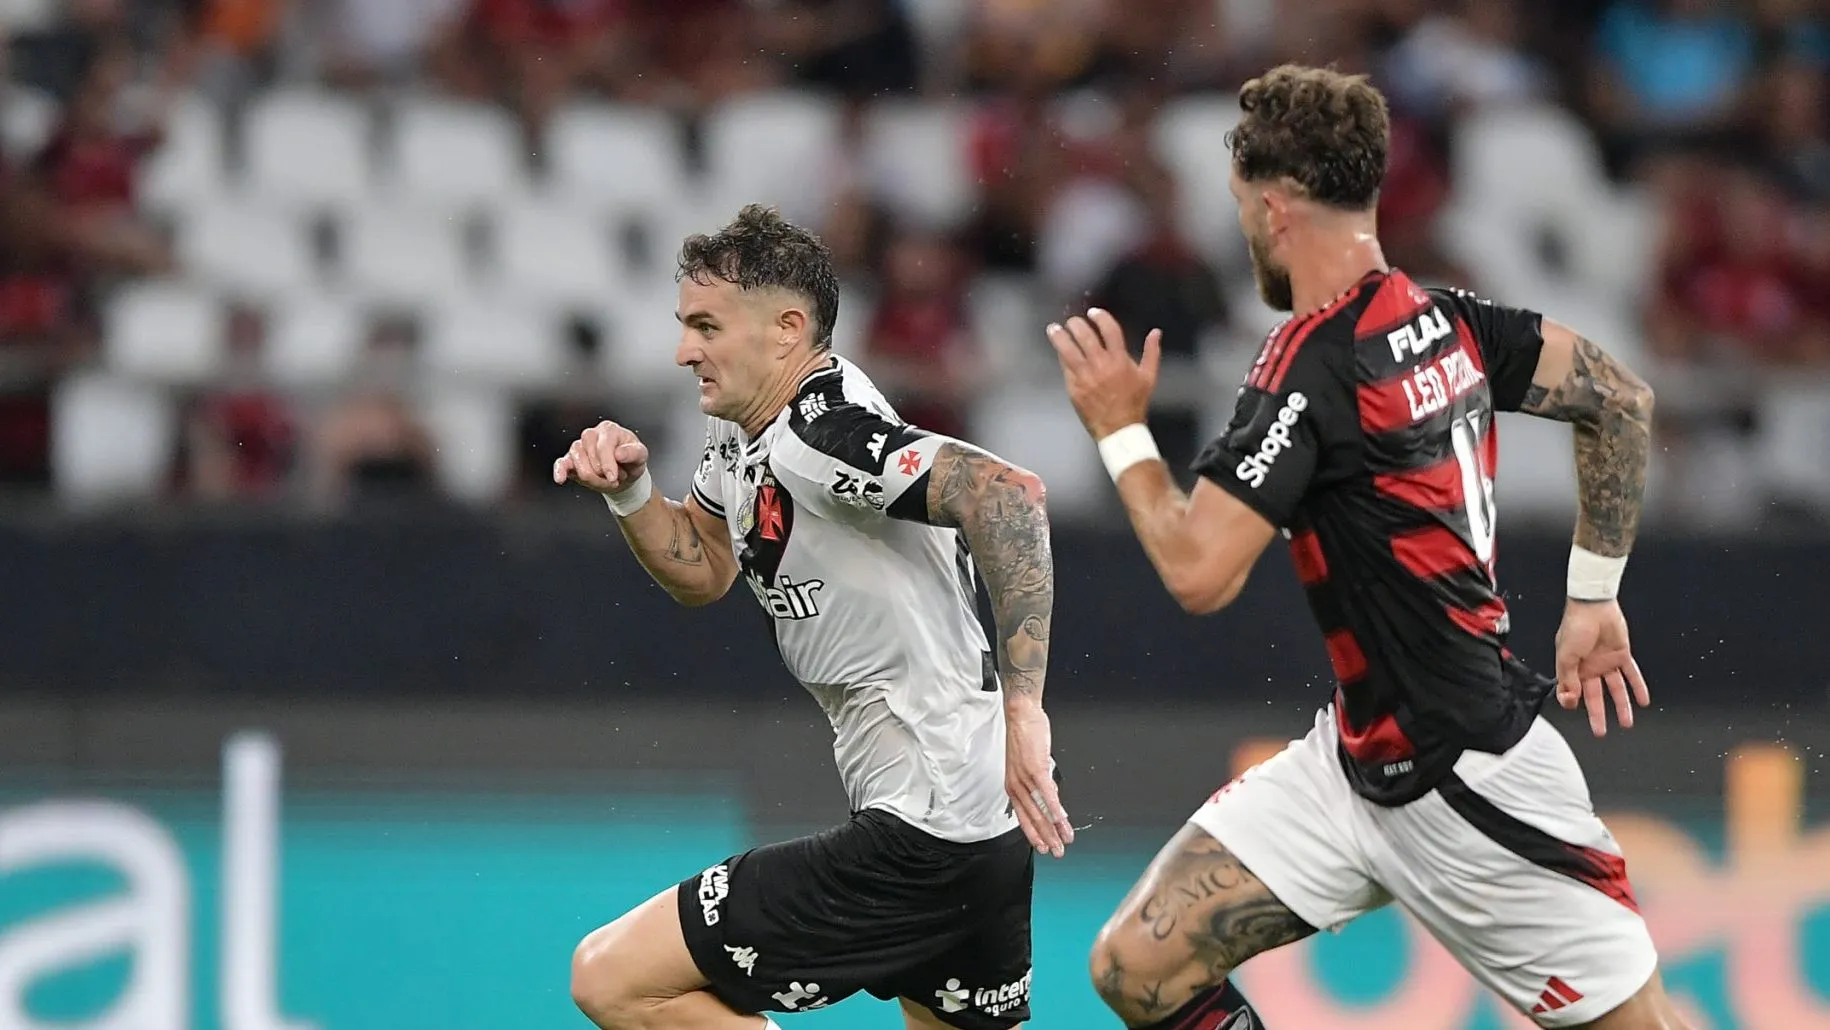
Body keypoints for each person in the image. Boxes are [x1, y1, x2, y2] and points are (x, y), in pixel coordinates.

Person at [1050, 65, 1689, 1030]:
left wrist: (1120, 431)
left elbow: (1197, 570)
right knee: (1140, 967)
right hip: (1354, 770)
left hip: (1472, 781)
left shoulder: (1309, 366)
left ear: (1272, 208)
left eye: (1238, 207)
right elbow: (1620, 401)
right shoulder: (1450, 321)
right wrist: (1593, 596)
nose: (1241, 228)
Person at [556, 205, 1070, 1030]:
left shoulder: (820, 432)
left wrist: (1025, 705)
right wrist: (630, 491)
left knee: (612, 978)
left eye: (705, 326)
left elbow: (1007, 493)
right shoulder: (744, 433)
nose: (683, 350)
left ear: (787, 328)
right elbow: (706, 568)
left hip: (924, 830)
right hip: (975, 830)